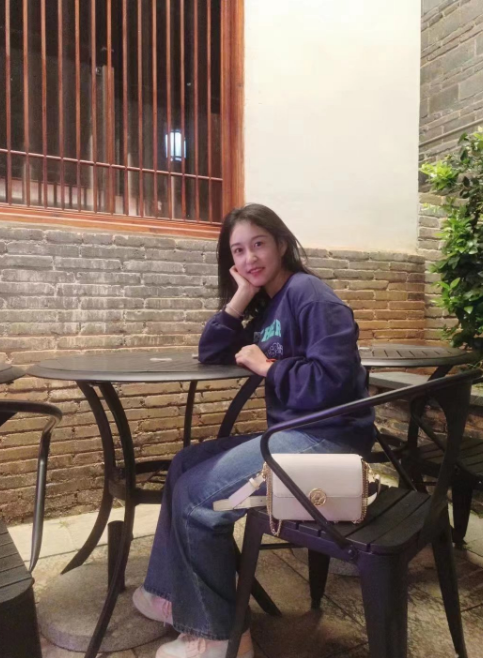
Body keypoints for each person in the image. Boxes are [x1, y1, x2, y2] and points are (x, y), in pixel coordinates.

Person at [133, 203, 375, 658]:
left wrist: (269, 368)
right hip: (298, 434)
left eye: (258, 244)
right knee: (185, 464)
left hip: (332, 442)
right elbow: (212, 352)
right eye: (238, 251)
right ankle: (168, 594)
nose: (250, 258)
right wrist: (241, 296)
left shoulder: (310, 295)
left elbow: (335, 380)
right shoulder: (269, 307)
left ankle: (220, 639)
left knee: (198, 501)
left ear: (281, 244)